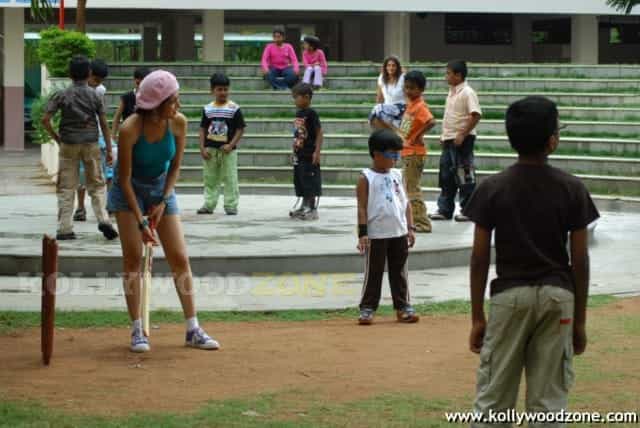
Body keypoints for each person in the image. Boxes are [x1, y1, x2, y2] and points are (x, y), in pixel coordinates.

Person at [463, 96, 599, 425]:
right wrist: (579, 320)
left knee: (494, 399)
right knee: (549, 402)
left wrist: (478, 317)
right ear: (552, 140)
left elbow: (480, 257)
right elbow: (579, 260)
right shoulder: (573, 188)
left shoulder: (492, 188)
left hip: (509, 298)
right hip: (558, 298)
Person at [107, 70, 219, 353]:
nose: (178, 106)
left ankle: (193, 328)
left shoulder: (178, 123)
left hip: (161, 189)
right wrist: (140, 220)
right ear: (156, 104)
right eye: (173, 101)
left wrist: (163, 200)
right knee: (133, 260)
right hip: (128, 192)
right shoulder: (130, 128)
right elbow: (123, 178)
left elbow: (176, 166)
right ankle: (137, 330)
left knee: (179, 257)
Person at [41, 55, 118, 241]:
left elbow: (45, 119)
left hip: (68, 144)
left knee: (66, 187)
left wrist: (58, 138)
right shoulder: (95, 95)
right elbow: (104, 124)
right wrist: (108, 148)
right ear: (89, 73)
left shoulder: (61, 95)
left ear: (69, 74)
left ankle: (65, 228)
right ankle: (104, 220)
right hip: (91, 143)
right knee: (97, 184)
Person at [356, 129, 419, 325]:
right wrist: (363, 234)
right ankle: (367, 308)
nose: (395, 158)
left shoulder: (397, 175)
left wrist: (410, 228)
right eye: (391, 154)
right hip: (377, 234)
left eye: (397, 154)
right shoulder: (366, 178)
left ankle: (403, 307)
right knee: (374, 272)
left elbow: (406, 202)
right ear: (376, 154)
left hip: (398, 232)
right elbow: (362, 207)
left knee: (399, 271)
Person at [430, 60, 482, 222]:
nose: (446, 76)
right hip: (449, 139)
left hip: (462, 140)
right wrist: (444, 135)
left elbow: (476, 115)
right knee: (446, 175)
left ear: (458, 75)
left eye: (448, 73)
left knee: (464, 175)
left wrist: (462, 134)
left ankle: (468, 209)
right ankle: (445, 209)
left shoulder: (467, 92)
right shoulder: (452, 92)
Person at [197, 73, 246, 215]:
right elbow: (202, 129)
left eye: (225, 89)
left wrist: (231, 145)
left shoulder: (234, 108)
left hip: (228, 151)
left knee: (230, 177)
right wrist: (202, 147)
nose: (223, 92)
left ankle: (231, 205)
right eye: (219, 89)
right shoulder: (207, 109)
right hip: (210, 149)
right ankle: (209, 204)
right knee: (210, 178)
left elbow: (240, 129)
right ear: (212, 91)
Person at [74, 59, 114, 221]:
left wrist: (108, 142)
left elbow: (102, 119)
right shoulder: (75, 90)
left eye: (100, 82)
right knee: (81, 174)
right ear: (88, 74)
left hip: (96, 137)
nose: (97, 84)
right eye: (95, 80)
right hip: (79, 138)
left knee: (104, 173)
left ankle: (106, 206)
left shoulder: (100, 91)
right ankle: (81, 207)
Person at [398, 70, 436, 233]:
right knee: (408, 187)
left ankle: (422, 223)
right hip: (407, 152)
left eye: (412, 88)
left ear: (420, 90)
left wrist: (418, 136)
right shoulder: (411, 105)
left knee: (412, 189)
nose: (408, 91)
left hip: (414, 153)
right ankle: (414, 220)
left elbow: (431, 121)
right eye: (406, 87)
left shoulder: (419, 106)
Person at [290, 83, 323, 220]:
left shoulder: (311, 113)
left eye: (296, 97)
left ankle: (312, 208)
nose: (294, 100)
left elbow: (319, 132)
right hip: (299, 153)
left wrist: (317, 151)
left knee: (310, 180)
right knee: (300, 180)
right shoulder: (299, 113)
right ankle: (304, 205)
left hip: (309, 153)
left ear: (306, 97)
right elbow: (298, 134)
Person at [111, 66, 152, 140]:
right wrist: (113, 136)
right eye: (138, 83)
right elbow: (117, 117)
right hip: (128, 135)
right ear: (134, 80)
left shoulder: (151, 98)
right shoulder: (127, 97)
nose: (140, 86)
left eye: (143, 84)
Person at [369, 56, 406, 130]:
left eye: (393, 65)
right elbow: (379, 97)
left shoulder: (402, 78)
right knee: (375, 116)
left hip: (400, 108)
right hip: (386, 109)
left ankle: (396, 131)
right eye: (388, 65)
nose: (391, 68)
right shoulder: (381, 78)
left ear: (397, 67)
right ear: (385, 67)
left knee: (378, 108)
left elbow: (408, 95)